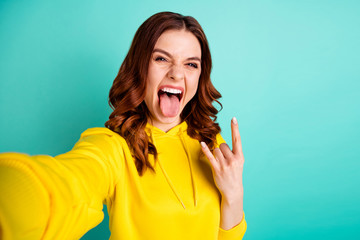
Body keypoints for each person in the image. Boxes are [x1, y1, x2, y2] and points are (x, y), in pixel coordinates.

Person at [0, 12, 246, 239]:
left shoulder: (212, 144)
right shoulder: (112, 147)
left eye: (191, 64)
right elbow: (68, 185)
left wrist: (234, 194)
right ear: (140, 66)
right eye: (161, 58)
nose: (176, 74)